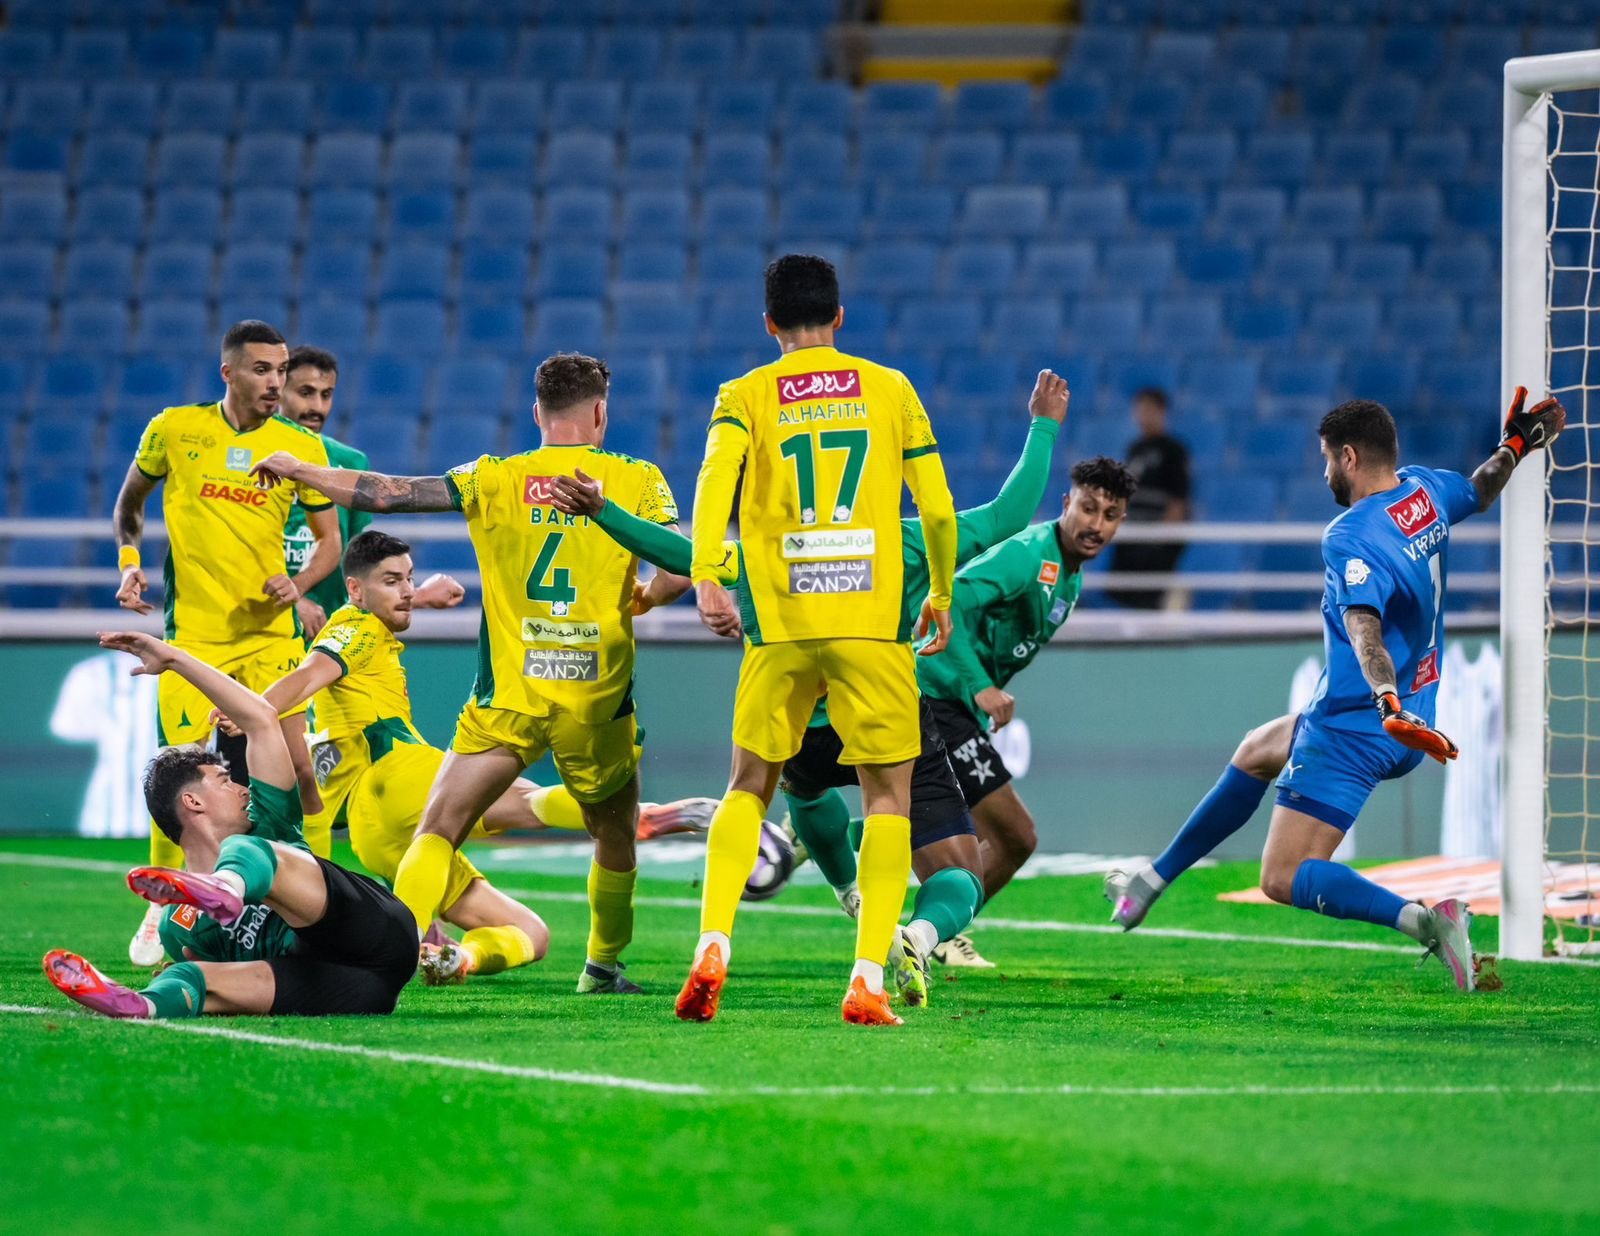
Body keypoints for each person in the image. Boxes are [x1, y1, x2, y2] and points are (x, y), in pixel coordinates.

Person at [551, 371, 1069, 1009]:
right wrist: (1043, 426)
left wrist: (604, 511)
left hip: (801, 718)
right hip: (883, 697)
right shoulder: (903, 540)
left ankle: (734, 931)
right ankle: (893, 951)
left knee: (756, 790)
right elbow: (1008, 514)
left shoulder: (763, 545)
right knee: (938, 848)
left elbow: (682, 555)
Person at [250, 353, 689, 995]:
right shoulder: (638, 478)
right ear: (600, 412)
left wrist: (301, 469)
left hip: (508, 696)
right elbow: (678, 569)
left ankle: (388, 957)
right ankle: (601, 967)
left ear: (537, 413)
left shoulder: (492, 476)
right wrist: (644, 597)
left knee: (437, 830)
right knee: (615, 834)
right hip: (596, 700)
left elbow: (388, 492)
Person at [1105, 390, 1566, 992]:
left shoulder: (1350, 535)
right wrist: (1517, 445)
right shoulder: (1424, 491)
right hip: (1412, 715)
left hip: (1360, 722)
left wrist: (1383, 699)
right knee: (1258, 749)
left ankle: (1428, 922)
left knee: (1282, 875)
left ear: (1348, 457)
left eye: (1326, 459)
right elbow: (1481, 488)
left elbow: (1363, 627)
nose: (1324, 472)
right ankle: (1151, 882)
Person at [239, 528, 716, 985]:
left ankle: (455, 959)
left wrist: (421, 597)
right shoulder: (354, 628)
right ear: (355, 590)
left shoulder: (365, 624)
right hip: (395, 776)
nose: (406, 590)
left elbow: (365, 624)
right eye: (392, 581)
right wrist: (254, 710)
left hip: (376, 836)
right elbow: (308, 675)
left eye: (409, 578)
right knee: (526, 802)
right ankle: (651, 817)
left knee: (532, 934)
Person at [678, 254, 958, 1027]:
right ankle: (867, 977)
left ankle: (714, 943)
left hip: (781, 623)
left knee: (747, 786)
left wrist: (707, 573)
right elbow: (937, 507)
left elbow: (714, 481)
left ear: (769, 324)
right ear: (839, 317)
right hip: (871, 624)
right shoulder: (890, 387)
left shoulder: (744, 393)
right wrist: (938, 591)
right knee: (888, 797)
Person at [112, 319, 341, 967]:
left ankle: (313, 892)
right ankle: (165, 903)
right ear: (229, 372)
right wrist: (129, 562)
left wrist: (298, 583)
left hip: (269, 639)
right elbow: (129, 505)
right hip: (195, 639)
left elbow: (330, 543)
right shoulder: (175, 429)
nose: (276, 382)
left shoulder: (299, 448)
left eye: (282, 370)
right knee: (178, 773)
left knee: (299, 769)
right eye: (263, 370)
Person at [42, 631, 418, 1019]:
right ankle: (140, 1004)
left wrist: (173, 659)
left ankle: (226, 886)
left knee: (245, 849)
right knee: (187, 974)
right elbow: (243, 977)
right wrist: (201, 978)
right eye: (225, 781)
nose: (242, 787)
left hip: (382, 934)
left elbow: (262, 719)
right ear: (193, 802)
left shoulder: (268, 820)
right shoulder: (177, 926)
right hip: (357, 989)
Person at [909, 456, 1136, 971]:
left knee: (951, 826)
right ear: (1066, 503)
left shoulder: (1069, 575)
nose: (1096, 524)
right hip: (936, 693)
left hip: (948, 700)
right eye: (1088, 508)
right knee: (1014, 835)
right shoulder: (1030, 554)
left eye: (1110, 515)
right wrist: (981, 686)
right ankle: (938, 934)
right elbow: (947, 602)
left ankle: (826, 839)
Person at [1106, 387, 1190, 610]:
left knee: (1149, 597)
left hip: (1155, 537)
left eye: (1148, 409)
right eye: (1139, 410)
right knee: (1123, 595)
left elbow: (1179, 499)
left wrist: (1161, 538)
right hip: (1132, 532)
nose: (1142, 415)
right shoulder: (1135, 449)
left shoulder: (1174, 450)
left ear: (1162, 411)